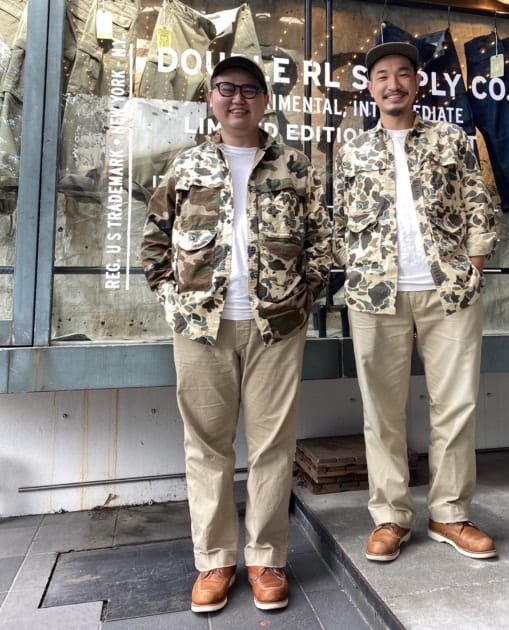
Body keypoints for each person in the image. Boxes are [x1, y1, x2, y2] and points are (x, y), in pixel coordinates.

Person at [141, 55, 331, 612]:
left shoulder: (295, 166)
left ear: (265, 100)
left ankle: (267, 558)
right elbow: (154, 241)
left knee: (273, 445)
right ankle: (215, 560)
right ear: (211, 98)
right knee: (206, 445)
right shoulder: (187, 165)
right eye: (227, 88)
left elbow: (322, 241)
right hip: (202, 328)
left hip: (277, 327)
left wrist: (303, 297)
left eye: (249, 90)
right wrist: (173, 301)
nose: (238, 99)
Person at [333, 42, 497, 562]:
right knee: (382, 409)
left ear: (418, 82)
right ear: (371, 87)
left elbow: (478, 199)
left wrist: (475, 263)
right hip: (376, 293)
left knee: (456, 404)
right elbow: (338, 220)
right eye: (382, 75)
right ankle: (391, 516)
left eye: (403, 73)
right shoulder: (353, 151)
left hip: (447, 287)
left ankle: (450, 512)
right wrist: (356, 269)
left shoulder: (451, 139)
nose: (394, 84)